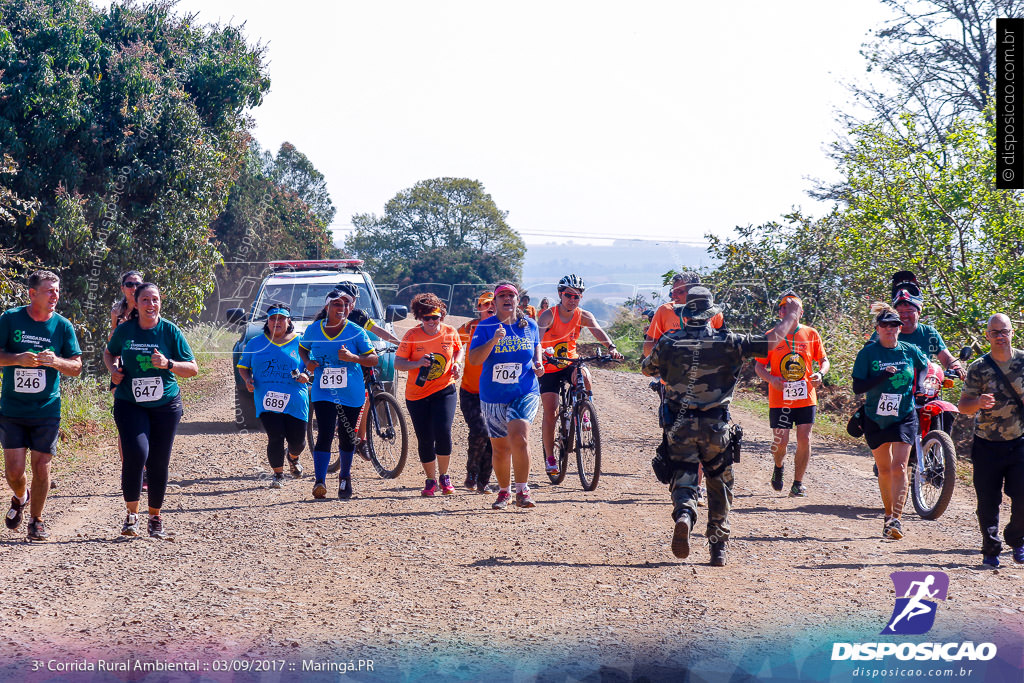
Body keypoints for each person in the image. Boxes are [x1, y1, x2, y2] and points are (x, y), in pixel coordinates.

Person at [641, 287, 801, 566]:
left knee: (683, 474)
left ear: (686, 314)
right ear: (711, 315)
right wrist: (791, 317)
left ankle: (685, 514)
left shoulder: (669, 341)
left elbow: (647, 368)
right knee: (719, 483)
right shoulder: (731, 342)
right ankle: (718, 547)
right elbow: (770, 342)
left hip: (679, 423)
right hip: (716, 424)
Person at [104, 282, 198, 539]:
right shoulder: (125, 330)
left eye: (155, 300)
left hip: (165, 405)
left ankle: (155, 517)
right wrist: (113, 371)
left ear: (160, 302)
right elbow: (109, 353)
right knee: (136, 453)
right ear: (136, 302)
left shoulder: (170, 331)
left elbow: (192, 369)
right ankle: (131, 516)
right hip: (129, 402)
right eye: (145, 300)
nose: (151, 305)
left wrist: (169, 364)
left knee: (159, 461)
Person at [0, 270, 82, 541]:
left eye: (57, 291)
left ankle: (36, 521)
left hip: (47, 409)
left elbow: (76, 366)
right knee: (13, 471)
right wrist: (17, 359)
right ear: (32, 294)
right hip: (13, 409)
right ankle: (21, 497)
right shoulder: (10, 319)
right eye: (49, 291)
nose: (55, 296)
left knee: (42, 466)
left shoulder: (62, 326)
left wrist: (56, 362)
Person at [642, 271, 723, 504]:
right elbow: (649, 343)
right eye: (673, 291)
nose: (673, 295)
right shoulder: (665, 311)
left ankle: (695, 487)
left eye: (679, 291)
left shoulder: (713, 313)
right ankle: (680, 477)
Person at [851, 302, 929, 541]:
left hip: (904, 414)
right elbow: (858, 387)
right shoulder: (868, 353)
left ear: (900, 327)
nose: (890, 329)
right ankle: (887, 516)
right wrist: (882, 375)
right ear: (878, 328)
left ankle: (896, 519)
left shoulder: (909, 350)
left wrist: (921, 385)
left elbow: (924, 365)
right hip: (876, 417)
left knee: (900, 467)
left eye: (895, 325)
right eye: (885, 325)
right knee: (884, 470)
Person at [467, 282, 544, 509]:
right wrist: (493, 341)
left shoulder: (529, 324)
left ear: (517, 300)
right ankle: (504, 492)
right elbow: (474, 359)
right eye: (502, 296)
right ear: (496, 302)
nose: (507, 299)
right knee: (500, 448)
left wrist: (538, 363)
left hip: (525, 390)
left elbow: (537, 346)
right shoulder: (485, 326)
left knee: (519, 436)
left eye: (511, 295)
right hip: (493, 394)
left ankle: (523, 490)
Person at [537, 274, 623, 477]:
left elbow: (598, 331)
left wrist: (611, 348)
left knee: (584, 374)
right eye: (569, 295)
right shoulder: (548, 315)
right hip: (550, 366)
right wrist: (540, 353)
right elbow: (536, 340)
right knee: (551, 412)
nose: (573, 300)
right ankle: (550, 457)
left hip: (569, 362)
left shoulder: (583, 315)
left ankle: (585, 411)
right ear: (560, 294)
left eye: (577, 296)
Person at [299, 284, 378, 500]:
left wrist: (353, 358)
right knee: (324, 432)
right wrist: (308, 363)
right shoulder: (314, 329)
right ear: (327, 306)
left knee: (346, 435)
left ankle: (345, 477)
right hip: (324, 390)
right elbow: (303, 348)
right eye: (336, 304)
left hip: (350, 391)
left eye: (345, 304)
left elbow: (373, 359)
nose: (341, 308)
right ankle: (319, 481)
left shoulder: (356, 331)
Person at [957, 314, 1024, 568]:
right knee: (987, 500)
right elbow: (963, 406)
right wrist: (978, 403)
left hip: (1019, 440)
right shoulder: (978, 367)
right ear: (987, 335)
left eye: (1004, 331)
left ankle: (1017, 539)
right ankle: (991, 548)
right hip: (986, 443)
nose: (999, 336)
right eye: (994, 332)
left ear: (1011, 333)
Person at [753, 291, 830, 497]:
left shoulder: (811, 334)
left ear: (801, 312)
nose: (789, 311)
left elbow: (824, 360)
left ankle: (798, 483)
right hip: (780, 398)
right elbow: (758, 367)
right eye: (785, 308)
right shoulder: (772, 336)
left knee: (804, 438)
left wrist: (820, 374)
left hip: (806, 396)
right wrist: (771, 379)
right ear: (780, 313)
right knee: (781, 442)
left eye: (794, 308)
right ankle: (778, 467)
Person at [394, 293, 463, 496]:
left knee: (443, 431)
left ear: (442, 315)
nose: (432, 321)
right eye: (427, 318)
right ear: (419, 318)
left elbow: (459, 349)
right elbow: (398, 362)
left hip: (445, 389)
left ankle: (445, 477)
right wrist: (417, 363)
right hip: (417, 394)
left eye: (436, 317)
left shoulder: (450, 332)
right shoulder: (412, 336)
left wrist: (457, 364)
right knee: (425, 438)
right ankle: (430, 480)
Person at [237, 304, 310, 488]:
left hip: (295, 400)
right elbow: (243, 367)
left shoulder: (300, 342)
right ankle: (278, 475)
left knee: (298, 441)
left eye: (281, 318)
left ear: (289, 321)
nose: (276, 322)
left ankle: (293, 457)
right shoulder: (255, 343)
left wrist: (306, 375)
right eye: (272, 318)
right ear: (267, 322)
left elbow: (311, 365)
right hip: (267, 399)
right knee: (275, 436)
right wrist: (247, 380)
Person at [326, 305, 400, 473]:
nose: (347, 304)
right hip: (341, 361)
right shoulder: (332, 316)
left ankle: (361, 440)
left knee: (369, 395)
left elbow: (379, 331)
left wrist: (398, 343)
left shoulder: (360, 316)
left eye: (350, 301)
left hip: (362, 357)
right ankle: (340, 423)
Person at [869, 271, 965, 380]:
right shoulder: (883, 332)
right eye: (900, 312)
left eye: (909, 311)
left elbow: (947, 358)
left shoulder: (928, 333)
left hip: (924, 386)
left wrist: (956, 367)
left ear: (919, 313)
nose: (905, 316)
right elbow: (869, 357)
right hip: (890, 387)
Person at [109, 270, 146, 490]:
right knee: (124, 423)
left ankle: (145, 470)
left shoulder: (149, 306)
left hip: (144, 368)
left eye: (136, 284)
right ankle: (129, 471)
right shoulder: (117, 310)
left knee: (147, 419)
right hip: (122, 369)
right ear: (122, 287)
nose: (133, 288)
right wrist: (113, 368)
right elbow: (112, 344)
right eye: (129, 284)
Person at [457, 292, 497, 492]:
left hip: (496, 393)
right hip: (470, 392)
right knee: (480, 430)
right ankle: (471, 472)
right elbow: (454, 344)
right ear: (479, 308)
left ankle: (484, 480)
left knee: (494, 436)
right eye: (485, 304)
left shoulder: (504, 329)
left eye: (493, 303)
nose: (490, 307)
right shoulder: (470, 328)